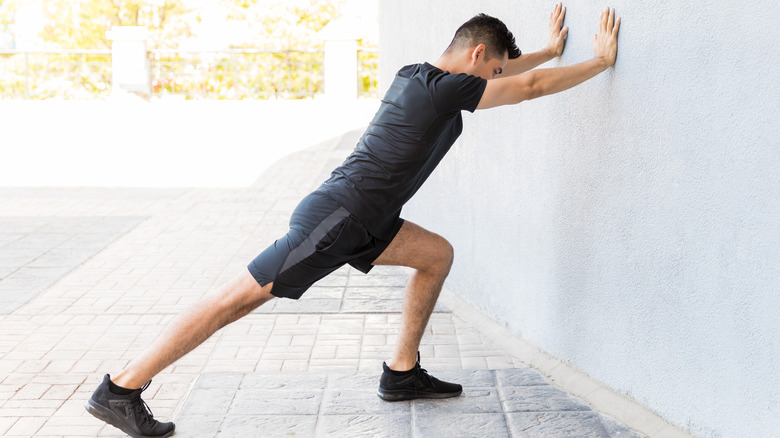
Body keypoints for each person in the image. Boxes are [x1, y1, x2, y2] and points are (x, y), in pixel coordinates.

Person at [85, 4, 620, 437]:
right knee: (234, 301)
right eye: (494, 68)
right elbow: (525, 88)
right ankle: (123, 389)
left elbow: (508, 77)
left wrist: (548, 51)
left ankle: (403, 372)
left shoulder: (418, 75)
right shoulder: (445, 89)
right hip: (337, 219)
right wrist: (597, 62)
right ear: (477, 54)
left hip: (366, 220)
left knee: (436, 255)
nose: (496, 80)